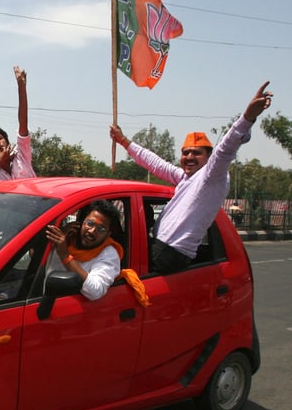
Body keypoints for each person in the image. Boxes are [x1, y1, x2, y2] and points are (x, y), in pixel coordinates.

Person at [110, 81, 274, 274]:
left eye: (196, 153)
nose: (189, 157)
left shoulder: (211, 177)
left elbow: (224, 150)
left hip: (170, 254)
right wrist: (124, 141)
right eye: (185, 153)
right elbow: (155, 164)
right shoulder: (186, 179)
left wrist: (247, 118)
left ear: (208, 158)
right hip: (159, 247)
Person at [45, 200, 123, 301]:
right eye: (90, 223)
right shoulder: (67, 237)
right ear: (82, 222)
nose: (91, 231)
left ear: (108, 234)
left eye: (101, 229)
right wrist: (54, 242)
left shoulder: (108, 254)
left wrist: (65, 256)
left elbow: (95, 291)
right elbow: (34, 257)